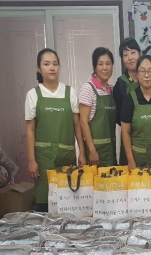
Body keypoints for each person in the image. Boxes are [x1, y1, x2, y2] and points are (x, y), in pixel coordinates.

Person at [25, 48, 85, 211]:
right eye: (46, 64)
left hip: (67, 155)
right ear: (39, 69)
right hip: (43, 158)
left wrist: (82, 152)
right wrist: (31, 160)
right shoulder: (33, 95)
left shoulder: (70, 92)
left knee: (67, 201)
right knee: (45, 202)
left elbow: (77, 125)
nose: (51, 68)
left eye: (55, 64)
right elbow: (30, 130)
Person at [79, 47, 117, 166]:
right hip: (95, 152)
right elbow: (83, 122)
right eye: (100, 64)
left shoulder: (112, 90)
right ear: (95, 67)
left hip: (110, 150)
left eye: (108, 64)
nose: (105, 68)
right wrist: (92, 151)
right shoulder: (88, 88)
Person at [113, 38, 141, 165]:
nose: (130, 58)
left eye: (133, 53)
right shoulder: (120, 84)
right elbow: (118, 116)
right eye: (125, 55)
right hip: (129, 136)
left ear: (140, 54)